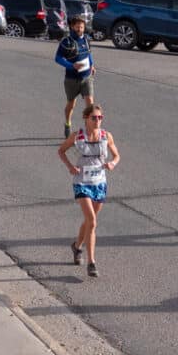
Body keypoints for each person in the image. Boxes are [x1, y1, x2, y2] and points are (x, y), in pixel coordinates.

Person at [58, 101, 119, 278]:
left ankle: (77, 247)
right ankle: (92, 263)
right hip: (82, 182)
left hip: (99, 182)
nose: (98, 120)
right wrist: (70, 166)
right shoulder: (77, 136)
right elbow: (61, 151)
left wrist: (113, 163)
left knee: (89, 222)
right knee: (92, 221)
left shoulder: (106, 136)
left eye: (100, 117)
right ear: (86, 118)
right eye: (94, 118)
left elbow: (117, 154)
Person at [55, 10, 95, 135]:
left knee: (90, 105)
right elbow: (58, 58)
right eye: (77, 26)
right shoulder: (66, 42)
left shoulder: (87, 40)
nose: (80, 28)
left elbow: (88, 54)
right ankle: (67, 123)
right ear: (72, 27)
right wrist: (71, 65)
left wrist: (92, 65)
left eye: (82, 26)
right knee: (71, 104)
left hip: (86, 77)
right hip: (71, 79)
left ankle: (89, 129)